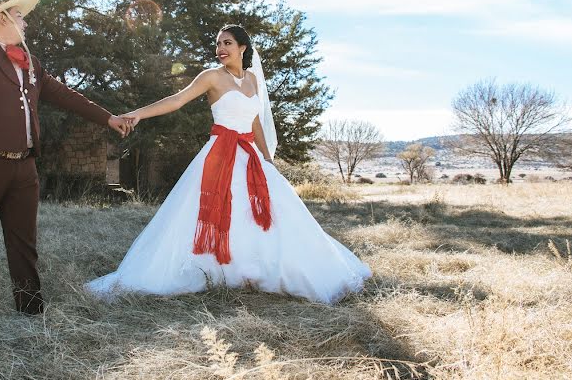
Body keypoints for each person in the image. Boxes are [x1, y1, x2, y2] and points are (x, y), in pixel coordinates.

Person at [86, 25, 371, 304]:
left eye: (227, 43)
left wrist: (267, 159)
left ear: (242, 48)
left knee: (267, 214)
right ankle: (214, 269)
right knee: (207, 212)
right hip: (219, 156)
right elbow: (178, 99)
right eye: (219, 44)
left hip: (250, 156)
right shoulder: (212, 77)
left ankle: (257, 269)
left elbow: (256, 121)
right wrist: (136, 115)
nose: (220, 49)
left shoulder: (252, 80)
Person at [0, 0, 132, 314]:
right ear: (3, 17)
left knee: (24, 242)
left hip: (24, 168)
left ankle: (30, 309)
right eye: (20, 16)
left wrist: (108, 119)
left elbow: (66, 96)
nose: (25, 23)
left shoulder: (30, 62)